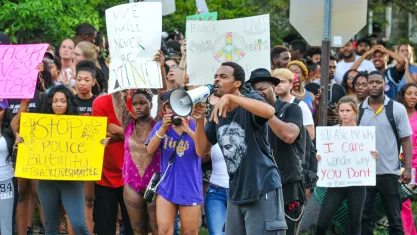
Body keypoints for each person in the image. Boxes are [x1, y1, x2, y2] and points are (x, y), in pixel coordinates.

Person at [193, 62, 287, 234]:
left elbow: (268, 111)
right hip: (236, 192)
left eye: (223, 76)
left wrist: (231, 98)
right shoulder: (217, 111)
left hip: (262, 186)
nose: (216, 80)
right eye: (215, 76)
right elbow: (201, 150)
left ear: (237, 83)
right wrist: (199, 120)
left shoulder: (251, 98)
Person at [14, 85, 109, 235]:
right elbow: (18, 130)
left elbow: (89, 146)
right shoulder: (39, 124)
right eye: (55, 101)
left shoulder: (79, 124)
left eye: (63, 101)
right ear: (50, 103)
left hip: (72, 182)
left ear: (68, 103)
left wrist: (100, 143)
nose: (59, 104)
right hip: (47, 182)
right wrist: (21, 140)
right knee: (51, 226)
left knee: (78, 224)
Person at [249, 68, 306, 235]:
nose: (258, 93)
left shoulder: (291, 109)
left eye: (262, 89)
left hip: (287, 184)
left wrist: (266, 112)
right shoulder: (249, 114)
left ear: (273, 88)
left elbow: (289, 135)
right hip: (259, 186)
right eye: (253, 91)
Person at [359, 71, 413, 235]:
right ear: (367, 85)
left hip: (389, 173)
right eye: (371, 82)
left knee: (395, 218)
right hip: (364, 174)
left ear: (385, 84)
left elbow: (406, 139)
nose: (374, 85)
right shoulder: (358, 109)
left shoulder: (397, 109)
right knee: (363, 218)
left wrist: (408, 168)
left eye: (378, 82)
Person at [315, 96, 378, 235]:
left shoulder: (364, 133)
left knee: (355, 223)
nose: (344, 113)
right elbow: (323, 154)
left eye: (348, 110)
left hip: (357, 184)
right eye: (342, 110)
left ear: (355, 112)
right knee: (322, 223)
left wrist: (374, 155)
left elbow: (369, 156)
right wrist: (320, 157)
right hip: (336, 184)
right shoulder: (331, 133)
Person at [147, 94, 203, 235]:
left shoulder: (196, 126)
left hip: (190, 187)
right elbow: (150, 149)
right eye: (169, 107)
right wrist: (162, 129)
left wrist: (188, 131)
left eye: (178, 106)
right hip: (167, 186)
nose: (173, 111)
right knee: (164, 231)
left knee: (189, 231)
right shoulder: (160, 126)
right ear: (164, 110)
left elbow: (203, 151)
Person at [112, 88, 163, 235]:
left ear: (151, 105)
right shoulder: (127, 123)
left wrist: (159, 68)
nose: (138, 107)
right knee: (137, 231)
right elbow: (115, 95)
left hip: (155, 184)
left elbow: (161, 92)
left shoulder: (159, 123)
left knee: (156, 229)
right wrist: (114, 67)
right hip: (132, 185)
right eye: (135, 104)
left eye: (143, 103)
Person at [92, 93, 133, 235]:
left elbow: (142, 135)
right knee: (105, 227)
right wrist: (127, 133)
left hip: (133, 176)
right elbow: (97, 133)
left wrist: (117, 130)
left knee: (134, 226)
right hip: (105, 175)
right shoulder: (100, 102)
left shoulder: (138, 100)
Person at [396, 83, 417, 234]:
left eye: (416, 94)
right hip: (402, 163)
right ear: (403, 95)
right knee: (404, 201)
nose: (413, 97)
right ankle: (408, 232)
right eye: (409, 93)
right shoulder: (398, 113)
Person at [272, 68, 315, 140]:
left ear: (291, 84)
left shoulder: (300, 105)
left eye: (283, 82)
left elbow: (310, 134)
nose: (279, 85)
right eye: (276, 82)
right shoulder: (269, 104)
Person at [0, 99, 17, 234]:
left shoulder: (9, 130)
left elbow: (24, 107)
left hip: (6, 182)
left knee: (6, 226)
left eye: (0, 109)